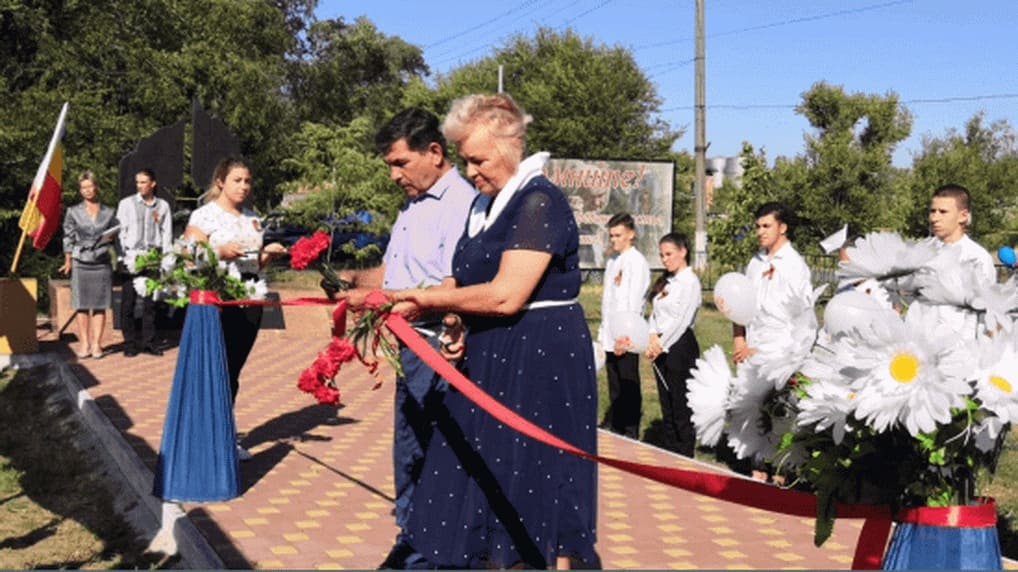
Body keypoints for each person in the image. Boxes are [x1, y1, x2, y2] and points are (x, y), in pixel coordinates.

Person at [358, 93, 599, 569]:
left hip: (538, 365)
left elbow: (507, 294)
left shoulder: (539, 202)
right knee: (479, 487)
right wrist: (450, 318)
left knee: (534, 492)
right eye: (465, 160)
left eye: (478, 159)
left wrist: (426, 298)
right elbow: (463, 281)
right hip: (489, 360)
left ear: (510, 147)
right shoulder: (483, 207)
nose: (470, 172)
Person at [339, 107, 477, 569]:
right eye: (390, 166)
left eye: (401, 163)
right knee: (411, 452)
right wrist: (357, 282)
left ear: (434, 152)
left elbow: (452, 286)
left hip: (441, 348)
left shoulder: (460, 204)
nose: (395, 175)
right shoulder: (413, 206)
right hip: (410, 346)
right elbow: (397, 272)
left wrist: (395, 300)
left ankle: (431, 555)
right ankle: (412, 544)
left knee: (438, 456)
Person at [183, 157, 287, 460]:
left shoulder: (252, 217)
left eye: (247, 181)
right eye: (237, 180)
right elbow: (188, 255)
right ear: (220, 182)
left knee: (233, 370)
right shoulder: (205, 215)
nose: (243, 186)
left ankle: (224, 434)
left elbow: (255, 263)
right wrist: (218, 251)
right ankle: (202, 437)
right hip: (218, 295)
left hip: (250, 295)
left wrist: (268, 253)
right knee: (215, 368)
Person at [733, 201, 812, 482]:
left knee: (780, 412)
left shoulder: (795, 266)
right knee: (752, 408)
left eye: (767, 226)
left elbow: (803, 316)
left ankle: (781, 470)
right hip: (752, 348)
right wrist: (739, 338)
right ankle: (757, 466)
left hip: (781, 350)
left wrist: (794, 358)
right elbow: (738, 302)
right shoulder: (755, 263)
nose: (760, 232)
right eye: (757, 226)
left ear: (783, 227)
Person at [645, 233, 701, 456]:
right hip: (660, 343)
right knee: (666, 402)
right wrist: (651, 336)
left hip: (679, 345)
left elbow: (682, 320)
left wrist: (661, 343)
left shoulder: (690, 282)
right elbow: (655, 313)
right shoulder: (667, 282)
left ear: (683, 252)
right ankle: (670, 450)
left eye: (669, 254)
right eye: (661, 255)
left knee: (680, 403)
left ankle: (684, 452)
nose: (665, 259)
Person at [598, 212, 651, 439]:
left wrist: (625, 335)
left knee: (628, 382)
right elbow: (608, 302)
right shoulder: (613, 262)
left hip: (626, 334)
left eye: (618, 235)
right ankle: (617, 428)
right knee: (614, 383)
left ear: (631, 234)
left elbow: (633, 301)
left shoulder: (636, 262)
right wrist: (604, 335)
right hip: (610, 332)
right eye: (611, 236)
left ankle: (630, 430)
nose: (614, 240)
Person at [925, 183, 996, 338]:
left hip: (961, 351)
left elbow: (986, 312)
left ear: (963, 216)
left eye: (943, 212)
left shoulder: (977, 257)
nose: (934, 218)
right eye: (932, 211)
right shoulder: (921, 252)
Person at [60, 171, 118, 359]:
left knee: (100, 305)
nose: (87, 190)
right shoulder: (73, 211)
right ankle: (84, 343)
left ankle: (96, 344)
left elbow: (115, 234)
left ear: (96, 187)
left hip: (101, 261)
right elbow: (68, 236)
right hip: (80, 260)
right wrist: (68, 260)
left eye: (90, 186)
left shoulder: (109, 212)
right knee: (82, 305)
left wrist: (112, 238)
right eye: (83, 187)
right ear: (80, 190)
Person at [117, 168, 172, 357]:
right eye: (138, 182)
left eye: (143, 182)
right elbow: (120, 231)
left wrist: (166, 260)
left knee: (150, 303)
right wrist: (123, 256)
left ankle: (149, 342)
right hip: (132, 256)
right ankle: (129, 343)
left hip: (152, 257)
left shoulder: (162, 206)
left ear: (152, 184)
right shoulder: (126, 204)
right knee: (128, 302)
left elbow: (167, 234)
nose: (140, 186)